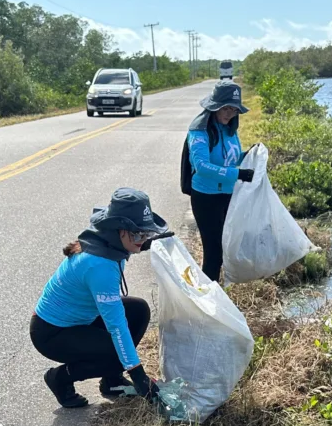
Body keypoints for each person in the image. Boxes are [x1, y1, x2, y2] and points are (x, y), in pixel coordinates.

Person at [31, 189, 170, 408]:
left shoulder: (106, 241)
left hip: (81, 319)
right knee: (118, 350)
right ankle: (60, 377)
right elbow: (116, 325)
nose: (141, 240)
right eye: (137, 234)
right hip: (52, 333)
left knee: (138, 310)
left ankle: (112, 380)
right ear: (118, 229)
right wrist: (139, 376)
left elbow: (131, 244)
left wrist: (147, 242)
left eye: (146, 233)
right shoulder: (99, 265)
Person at [181, 79, 254, 281]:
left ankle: (218, 293)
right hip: (206, 198)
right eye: (225, 108)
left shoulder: (230, 129)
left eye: (234, 110)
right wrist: (238, 174)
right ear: (214, 107)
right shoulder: (199, 131)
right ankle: (208, 301)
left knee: (228, 248)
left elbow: (230, 156)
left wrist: (249, 155)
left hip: (228, 195)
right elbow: (202, 167)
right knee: (213, 254)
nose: (229, 114)